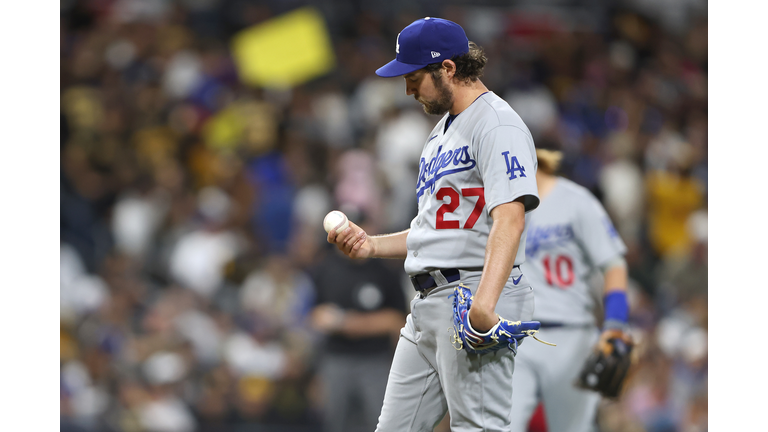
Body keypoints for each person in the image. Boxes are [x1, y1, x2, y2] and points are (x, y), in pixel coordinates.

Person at [328, 17, 541, 432]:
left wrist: (485, 301)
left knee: (477, 427)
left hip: (472, 292)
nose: (407, 89)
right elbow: (436, 230)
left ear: (447, 68)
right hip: (427, 303)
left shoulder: (497, 124)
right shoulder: (440, 133)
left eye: (413, 77)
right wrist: (371, 245)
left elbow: (510, 217)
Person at [508, 147, 631, 432]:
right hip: (517, 339)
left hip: (571, 335)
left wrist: (615, 323)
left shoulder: (576, 201)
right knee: (500, 426)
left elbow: (614, 265)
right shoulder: (499, 207)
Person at [309, 210, 407, 432]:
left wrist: (346, 323)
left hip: (375, 361)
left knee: (381, 424)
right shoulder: (326, 268)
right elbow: (315, 316)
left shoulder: (384, 270)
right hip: (336, 359)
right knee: (334, 423)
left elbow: (396, 320)